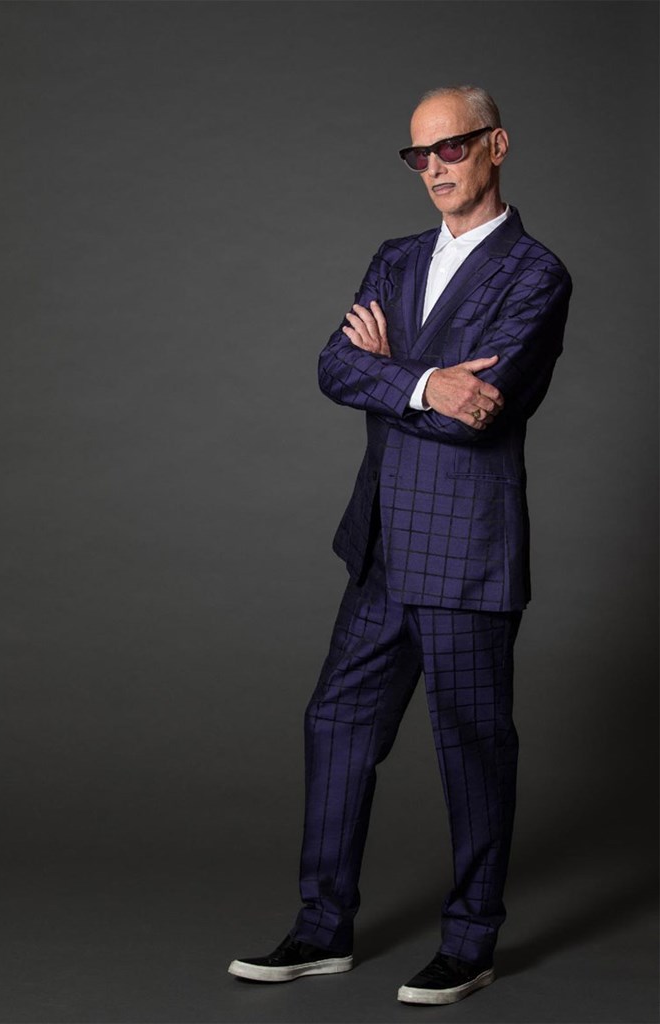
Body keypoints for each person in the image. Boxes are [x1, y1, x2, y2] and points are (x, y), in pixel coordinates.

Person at [228, 84, 572, 1006]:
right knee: (335, 725)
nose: (433, 168)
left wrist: (387, 371)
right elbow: (333, 365)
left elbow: (479, 411)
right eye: (418, 155)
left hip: (465, 553)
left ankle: (471, 941)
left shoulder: (535, 273)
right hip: (381, 545)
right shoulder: (395, 256)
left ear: (495, 144)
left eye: (450, 147)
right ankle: (321, 927)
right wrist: (419, 381)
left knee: (470, 748)